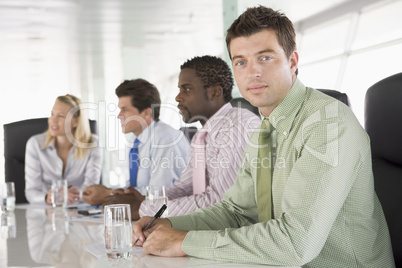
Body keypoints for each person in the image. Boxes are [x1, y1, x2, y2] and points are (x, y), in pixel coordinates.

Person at [132, 6, 395, 267]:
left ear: (292, 62)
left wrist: (183, 241)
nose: (252, 72)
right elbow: (236, 212)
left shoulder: (328, 124)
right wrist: (167, 224)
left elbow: (295, 243)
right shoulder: (264, 130)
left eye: (265, 58)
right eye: (241, 62)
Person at [103, 55, 261, 220]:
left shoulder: (237, 127)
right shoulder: (202, 136)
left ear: (215, 92)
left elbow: (219, 202)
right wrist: (145, 201)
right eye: (179, 90)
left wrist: (143, 209)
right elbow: (183, 188)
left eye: (186, 89)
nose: (178, 97)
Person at [82, 79, 190, 206]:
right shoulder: (136, 140)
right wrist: (110, 192)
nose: (119, 116)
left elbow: (160, 194)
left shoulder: (165, 139)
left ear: (146, 113)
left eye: (125, 109)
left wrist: (108, 193)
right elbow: (134, 187)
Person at [25, 94, 102, 205]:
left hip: (80, 211)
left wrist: (66, 195)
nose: (53, 120)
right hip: (46, 213)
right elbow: (31, 192)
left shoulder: (93, 144)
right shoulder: (35, 144)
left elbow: (91, 189)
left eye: (61, 116)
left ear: (76, 121)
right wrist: (48, 196)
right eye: (52, 114)